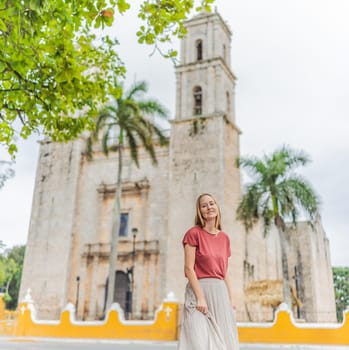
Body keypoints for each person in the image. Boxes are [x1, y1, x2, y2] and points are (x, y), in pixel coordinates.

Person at [177, 193, 239, 350]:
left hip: (220, 293)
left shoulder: (224, 238)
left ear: (217, 207)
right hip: (199, 291)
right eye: (204, 205)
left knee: (224, 341)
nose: (209, 207)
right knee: (198, 341)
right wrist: (200, 298)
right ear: (200, 211)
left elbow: (224, 272)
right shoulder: (194, 234)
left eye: (212, 203)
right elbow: (189, 269)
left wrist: (231, 299)